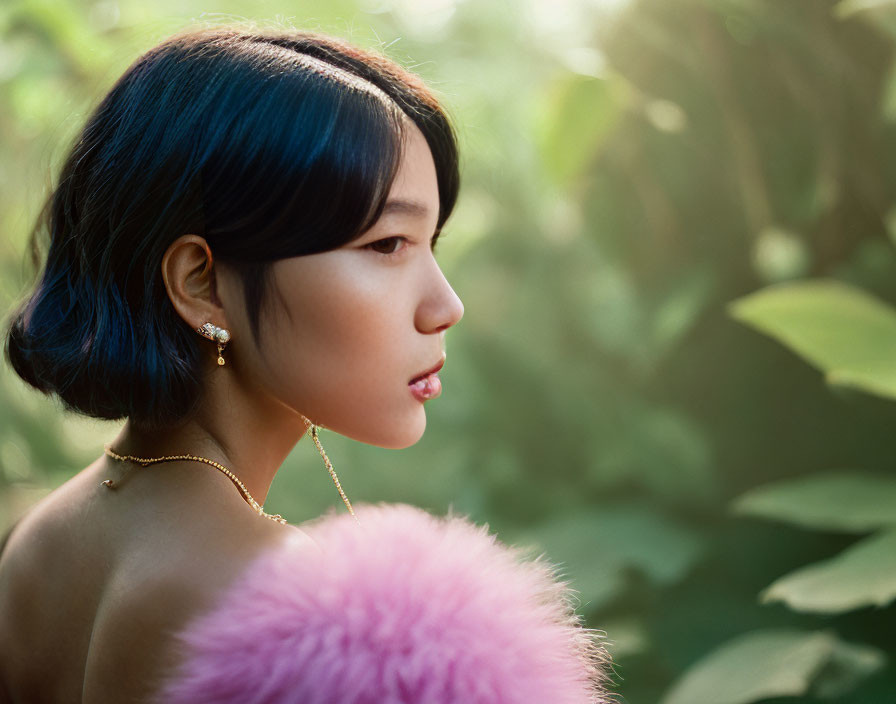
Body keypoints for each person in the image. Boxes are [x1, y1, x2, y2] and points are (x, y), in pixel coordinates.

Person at [0, 26, 609, 703]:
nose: (446, 305)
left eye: (431, 242)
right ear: (202, 284)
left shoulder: (36, 543)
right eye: (387, 244)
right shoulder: (321, 628)